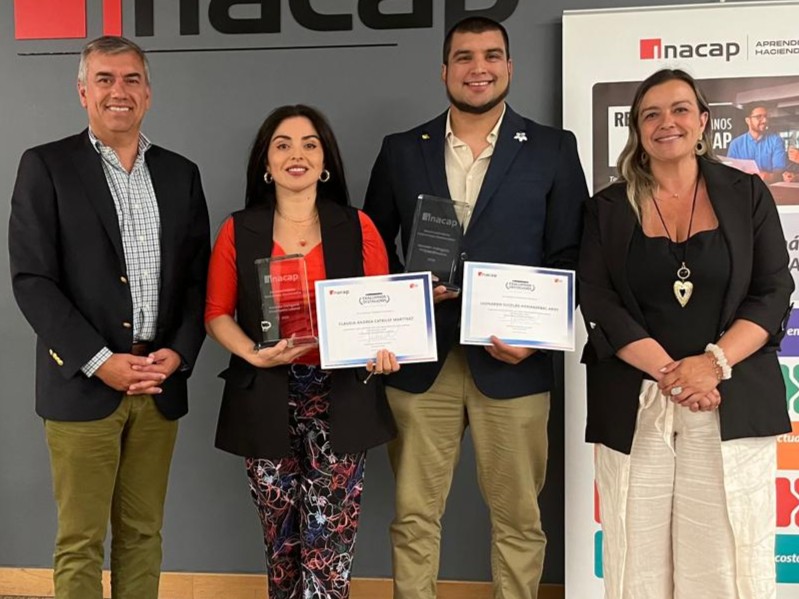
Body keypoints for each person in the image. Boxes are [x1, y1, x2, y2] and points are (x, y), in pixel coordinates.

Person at [363, 16, 588, 599]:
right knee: (414, 517)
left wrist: (537, 336)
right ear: (444, 70)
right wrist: (403, 301)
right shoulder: (400, 151)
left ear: (510, 67)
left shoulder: (552, 149)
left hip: (514, 362)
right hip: (420, 361)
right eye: (464, 57)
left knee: (519, 520)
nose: (478, 68)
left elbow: (571, 253)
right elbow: (368, 249)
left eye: (491, 56)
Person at [8, 36, 210, 599]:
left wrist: (182, 351)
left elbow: (198, 278)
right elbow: (32, 281)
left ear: (148, 92)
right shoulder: (46, 166)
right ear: (82, 91)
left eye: (130, 80)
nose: (118, 92)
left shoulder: (179, 173)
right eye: (104, 79)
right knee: (80, 540)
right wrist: (100, 361)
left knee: (144, 533)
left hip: (158, 383)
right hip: (82, 383)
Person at [579, 68, 793, 599]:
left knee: (725, 560)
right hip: (636, 399)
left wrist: (712, 364)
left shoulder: (747, 195)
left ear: (703, 122)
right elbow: (599, 299)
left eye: (679, 110)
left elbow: (772, 290)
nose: (666, 122)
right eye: (651, 113)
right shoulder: (606, 208)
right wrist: (672, 374)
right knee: (638, 565)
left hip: (731, 396)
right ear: (637, 129)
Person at [205, 104, 398, 599]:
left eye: (310, 143)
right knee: (281, 540)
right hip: (266, 394)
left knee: (328, 540)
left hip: (340, 396)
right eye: (283, 144)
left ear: (325, 160)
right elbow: (216, 312)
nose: (297, 154)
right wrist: (252, 352)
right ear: (266, 164)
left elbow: (381, 312)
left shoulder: (357, 228)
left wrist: (384, 348)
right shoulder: (238, 229)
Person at [727, 103, 787, 183]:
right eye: (759, 117)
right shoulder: (736, 144)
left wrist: (769, 177)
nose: (764, 120)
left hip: (769, 190)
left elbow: (780, 171)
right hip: (743, 189)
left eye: (765, 116)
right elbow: (729, 171)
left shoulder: (776, 141)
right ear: (748, 120)